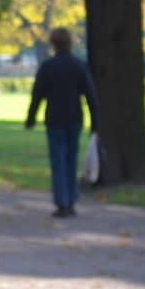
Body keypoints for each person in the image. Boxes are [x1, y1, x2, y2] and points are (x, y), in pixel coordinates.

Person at [24, 27, 99, 217]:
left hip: (54, 118)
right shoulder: (79, 66)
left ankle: (62, 201)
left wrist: (31, 118)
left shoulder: (48, 66)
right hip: (74, 117)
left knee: (57, 160)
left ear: (53, 44)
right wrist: (95, 122)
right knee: (71, 160)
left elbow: (37, 94)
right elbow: (90, 95)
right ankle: (71, 199)